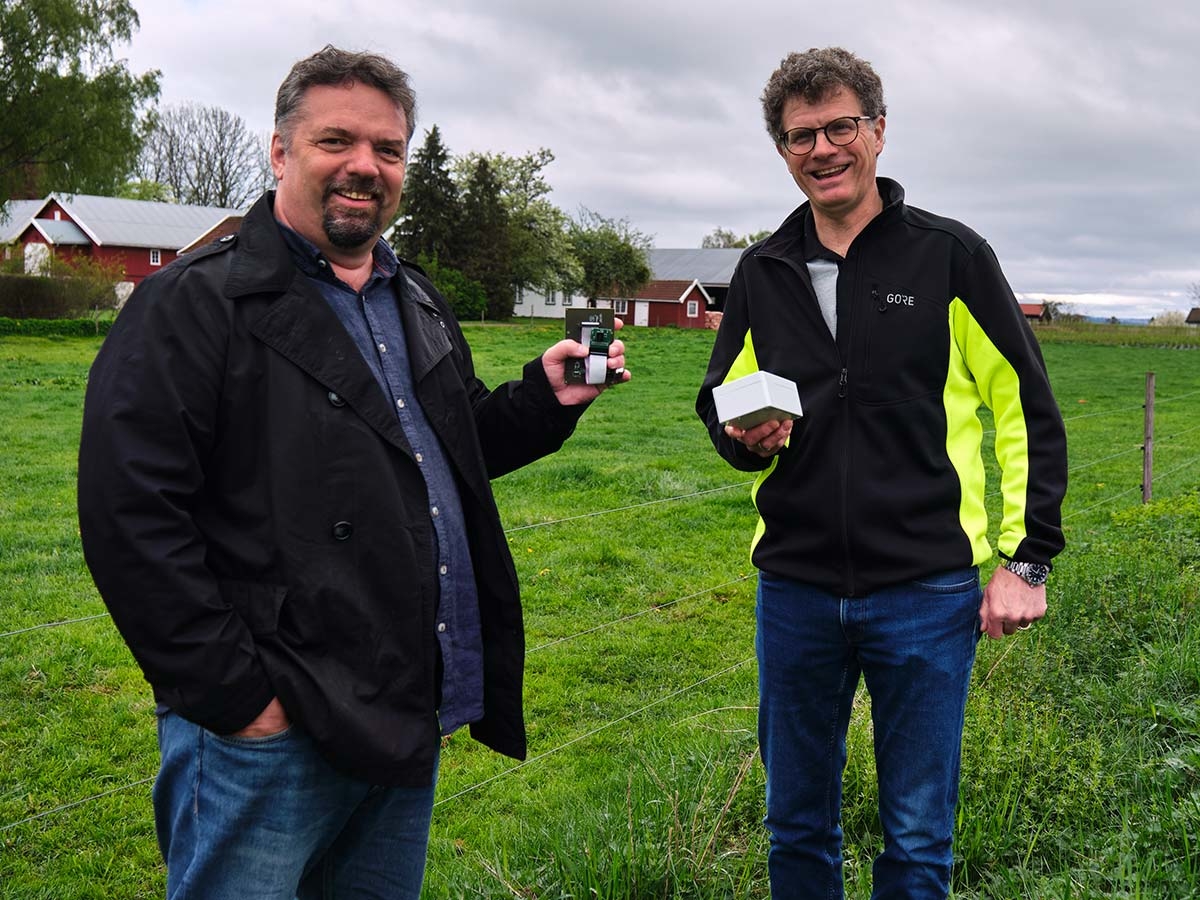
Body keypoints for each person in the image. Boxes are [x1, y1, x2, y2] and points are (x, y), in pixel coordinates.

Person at [77, 45, 628, 900]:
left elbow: (449, 445)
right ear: (280, 152)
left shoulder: (416, 298)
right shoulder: (193, 303)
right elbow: (130, 515)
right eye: (336, 140)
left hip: (401, 698)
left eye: (389, 149)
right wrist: (239, 700)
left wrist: (543, 400)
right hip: (272, 729)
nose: (365, 166)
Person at [696, 47, 1066, 899]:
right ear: (782, 151)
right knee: (795, 826)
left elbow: (1024, 408)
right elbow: (720, 397)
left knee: (918, 832)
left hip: (926, 590)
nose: (822, 149)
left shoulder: (950, 256)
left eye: (840, 127)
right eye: (801, 136)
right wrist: (744, 438)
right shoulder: (762, 270)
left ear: (879, 131)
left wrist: (1027, 558)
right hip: (795, 588)